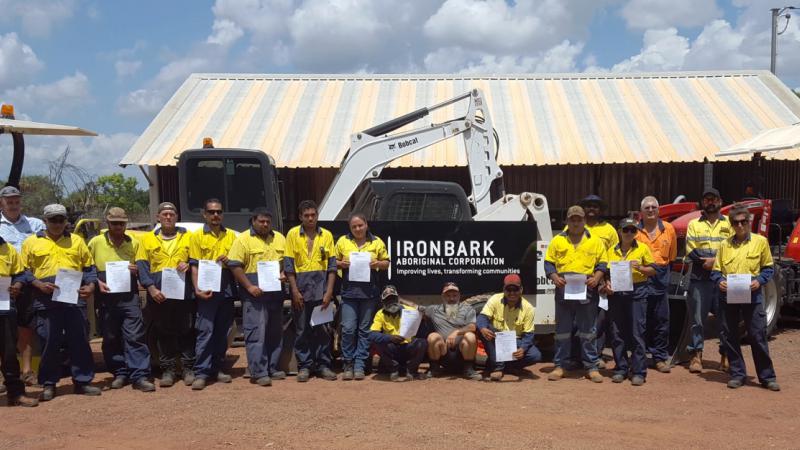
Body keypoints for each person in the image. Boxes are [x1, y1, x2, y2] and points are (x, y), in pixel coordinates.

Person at [21, 204, 100, 400]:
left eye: (60, 220)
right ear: (45, 221)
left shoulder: (77, 241)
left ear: (66, 221)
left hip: (73, 298)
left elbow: (89, 268)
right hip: (46, 299)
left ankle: (82, 381)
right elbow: (23, 271)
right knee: (49, 341)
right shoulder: (31, 243)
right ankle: (49, 383)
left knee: (79, 340)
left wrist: (90, 286)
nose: (57, 224)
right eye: (52, 220)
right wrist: (38, 284)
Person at [711, 204, 780, 391]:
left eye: (743, 222)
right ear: (732, 224)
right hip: (728, 296)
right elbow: (716, 272)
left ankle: (767, 377)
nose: (740, 225)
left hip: (753, 295)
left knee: (757, 335)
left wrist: (760, 281)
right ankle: (737, 374)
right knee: (730, 336)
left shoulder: (760, 242)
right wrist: (719, 282)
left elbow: (768, 268)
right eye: (736, 222)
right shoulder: (724, 245)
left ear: (749, 222)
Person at [88, 207, 155, 392]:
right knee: (110, 337)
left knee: (135, 336)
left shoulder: (134, 242)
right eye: (114, 223)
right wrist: (96, 281)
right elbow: (88, 266)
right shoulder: (95, 242)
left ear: (126, 224)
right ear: (107, 223)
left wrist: (136, 271)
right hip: (106, 298)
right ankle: (119, 373)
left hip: (129, 297)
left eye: (121, 223)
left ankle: (139, 375)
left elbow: (142, 266)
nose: (118, 226)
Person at [135, 202, 195, 388]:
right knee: (163, 331)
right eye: (165, 214)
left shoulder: (189, 237)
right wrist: (151, 289)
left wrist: (189, 263)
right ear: (158, 218)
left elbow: (197, 259)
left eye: (171, 214)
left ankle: (187, 368)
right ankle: (168, 369)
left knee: (187, 330)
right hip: (159, 295)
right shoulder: (147, 240)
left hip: (184, 294)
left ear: (177, 217)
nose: (168, 217)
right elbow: (142, 266)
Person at [545, 205, 607, 383]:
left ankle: (591, 367)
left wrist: (596, 278)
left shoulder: (595, 241)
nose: (576, 221)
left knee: (588, 331)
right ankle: (560, 366)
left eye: (579, 218)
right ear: (567, 220)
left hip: (587, 288)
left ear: (584, 220)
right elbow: (549, 263)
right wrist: (554, 277)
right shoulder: (557, 240)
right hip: (563, 288)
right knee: (562, 331)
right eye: (572, 218)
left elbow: (602, 264)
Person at [228, 208, 286, 387]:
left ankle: (272, 368)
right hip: (254, 295)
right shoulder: (243, 239)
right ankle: (258, 372)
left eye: (268, 222)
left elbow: (286, 262)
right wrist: (249, 286)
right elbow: (235, 265)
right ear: (253, 221)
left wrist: (284, 273)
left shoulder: (279, 238)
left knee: (275, 333)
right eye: (261, 221)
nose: (265, 224)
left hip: (275, 293)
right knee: (256, 333)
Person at [284, 200, 337, 382]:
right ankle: (305, 366)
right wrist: (295, 291)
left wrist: (329, 292)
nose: (310, 218)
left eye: (313, 215)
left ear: (317, 216)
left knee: (323, 330)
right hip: (301, 290)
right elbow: (289, 267)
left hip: (322, 290)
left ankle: (323, 365)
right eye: (306, 215)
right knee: (302, 330)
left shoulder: (327, 235)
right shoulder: (292, 234)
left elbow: (332, 267)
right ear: (300, 217)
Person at [188, 198, 237, 390]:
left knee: (222, 332)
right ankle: (201, 372)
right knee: (205, 331)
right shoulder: (197, 237)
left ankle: (218, 368)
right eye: (211, 212)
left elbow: (237, 264)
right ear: (205, 214)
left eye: (218, 212)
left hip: (226, 288)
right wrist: (197, 289)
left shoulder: (231, 237)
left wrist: (229, 260)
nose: (215, 215)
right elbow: (194, 266)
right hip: (206, 288)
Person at [335, 213, 389, 381]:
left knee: (365, 330)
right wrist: (341, 263)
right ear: (350, 228)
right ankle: (348, 363)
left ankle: (360, 364)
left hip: (369, 294)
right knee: (348, 329)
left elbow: (387, 263)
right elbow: (332, 261)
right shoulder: (342, 242)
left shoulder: (377, 242)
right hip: (349, 293)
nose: (358, 229)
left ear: (366, 225)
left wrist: (378, 264)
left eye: (360, 225)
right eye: (354, 226)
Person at [602, 218, 656, 386]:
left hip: (637, 292)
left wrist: (640, 267)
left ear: (636, 232)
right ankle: (621, 368)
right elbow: (605, 273)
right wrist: (607, 284)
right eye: (626, 230)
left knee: (636, 332)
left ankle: (639, 371)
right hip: (616, 294)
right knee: (617, 332)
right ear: (619, 231)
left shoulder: (643, 249)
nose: (629, 233)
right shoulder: (611, 250)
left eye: (633, 230)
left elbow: (653, 271)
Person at [0, 185, 44, 386]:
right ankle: (4, 375)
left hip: (27, 282)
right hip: (3, 285)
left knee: (25, 327)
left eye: (17, 201)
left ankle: (26, 370)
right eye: (9, 201)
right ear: (2, 203)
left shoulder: (35, 224)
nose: (13, 204)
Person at [685, 188, 732, 373]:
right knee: (697, 319)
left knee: (725, 319)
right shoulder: (694, 224)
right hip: (700, 278)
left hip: (723, 279)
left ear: (720, 201)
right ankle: (696, 356)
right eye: (707, 199)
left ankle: (725, 355)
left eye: (714, 199)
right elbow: (691, 248)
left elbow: (733, 247)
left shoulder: (729, 223)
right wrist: (707, 262)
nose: (710, 202)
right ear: (702, 203)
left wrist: (714, 262)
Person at [636, 196, 677, 373]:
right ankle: (640, 357)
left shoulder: (669, 229)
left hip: (660, 278)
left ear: (659, 210)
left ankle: (660, 358)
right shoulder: (634, 231)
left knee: (661, 320)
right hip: (640, 278)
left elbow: (672, 257)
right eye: (647, 208)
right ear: (641, 212)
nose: (651, 210)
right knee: (641, 321)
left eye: (654, 207)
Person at [477, 274, 541, 381]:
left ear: (521, 290)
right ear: (504, 289)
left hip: (516, 341)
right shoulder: (495, 299)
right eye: (508, 289)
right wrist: (483, 328)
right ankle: (498, 368)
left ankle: (509, 367)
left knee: (535, 355)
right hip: (496, 338)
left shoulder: (528, 308)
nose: (512, 293)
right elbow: (482, 317)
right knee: (484, 328)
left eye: (515, 289)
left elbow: (529, 334)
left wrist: (522, 348)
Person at [0, 233, 38, 406]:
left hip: (4, 309)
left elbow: (20, 273)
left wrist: (17, 285)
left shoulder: (7, 249)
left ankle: (15, 394)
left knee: (9, 353)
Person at [422, 282, 482, 381]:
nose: (451, 298)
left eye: (454, 295)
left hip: (461, 353)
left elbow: (472, 327)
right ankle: (434, 369)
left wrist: (456, 332)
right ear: (442, 296)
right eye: (448, 295)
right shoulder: (434, 310)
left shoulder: (467, 309)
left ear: (459, 295)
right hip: (443, 352)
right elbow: (414, 308)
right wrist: (399, 301)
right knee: (432, 336)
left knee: (470, 336)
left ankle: (468, 369)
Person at [369, 285, 427, 381]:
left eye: (393, 299)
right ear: (383, 302)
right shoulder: (380, 313)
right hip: (392, 348)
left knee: (422, 342)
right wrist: (390, 338)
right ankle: (393, 370)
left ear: (398, 299)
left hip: (408, 346)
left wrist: (423, 316)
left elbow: (425, 314)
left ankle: (411, 371)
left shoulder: (410, 311)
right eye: (388, 300)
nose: (391, 302)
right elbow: (372, 335)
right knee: (378, 342)